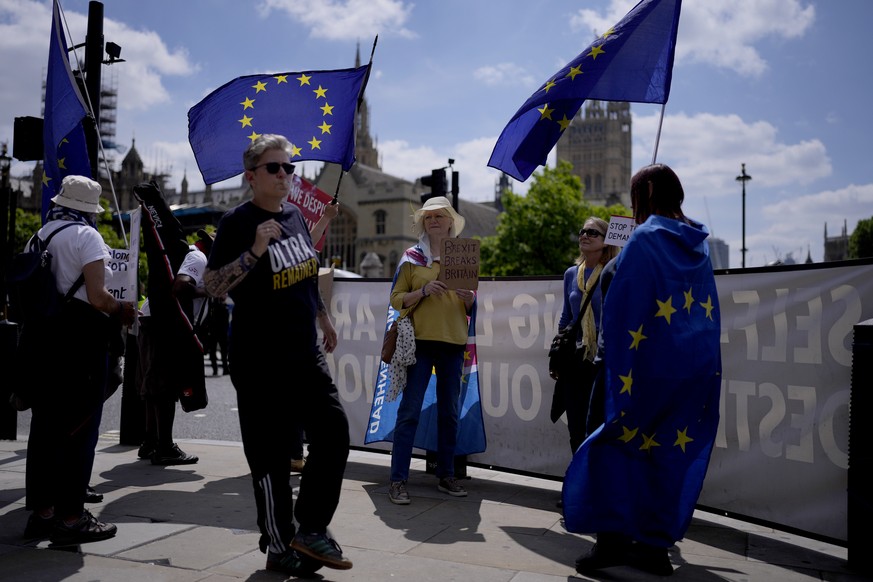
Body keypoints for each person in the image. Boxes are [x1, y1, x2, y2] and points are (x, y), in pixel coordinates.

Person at [563, 164, 722, 577]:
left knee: (614, 449)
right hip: (687, 372)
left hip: (636, 373)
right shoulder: (697, 244)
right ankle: (653, 548)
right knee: (665, 455)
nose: (632, 206)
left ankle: (612, 545)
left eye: (635, 196)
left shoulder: (647, 238)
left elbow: (621, 307)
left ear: (648, 190)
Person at [203, 134, 352, 576]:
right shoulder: (237, 221)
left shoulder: (294, 215)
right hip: (260, 358)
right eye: (275, 168)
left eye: (289, 168)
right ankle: (278, 542)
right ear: (252, 176)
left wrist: (322, 316)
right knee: (270, 457)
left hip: (305, 352)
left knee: (334, 431)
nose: (285, 175)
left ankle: (310, 529)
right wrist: (253, 252)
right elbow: (212, 285)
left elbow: (306, 274)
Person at [23, 175, 138, 544]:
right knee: (79, 427)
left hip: (41, 342)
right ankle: (72, 518)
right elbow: (98, 296)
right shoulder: (86, 237)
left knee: (44, 429)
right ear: (88, 210)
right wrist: (124, 309)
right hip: (78, 345)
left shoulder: (39, 235)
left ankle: (42, 513)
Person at [384, 196, 478, 505]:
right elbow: (396, 299)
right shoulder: (411, 257)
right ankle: (398, 480)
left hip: (453, 342)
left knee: (449, 413)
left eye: (440, 216)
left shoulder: (464, 254)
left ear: (452, 221)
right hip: (420, 343)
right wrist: (423, 291)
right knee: (409, 411)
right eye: (429, 216)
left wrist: (468, 298)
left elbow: (470, 306)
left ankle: (446, 474)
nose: (434, 220)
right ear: (424, 223)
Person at [136, 230, 213, 465]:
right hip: (166, 323)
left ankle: (151, 442)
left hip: (154, 319)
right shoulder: (199, 258)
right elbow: (180, 286)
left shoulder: (190, 254)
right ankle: (164, 447)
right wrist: (209, 290)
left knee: (155, 385)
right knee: (164, 386)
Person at [551, 217, 618, 455]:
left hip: (602, 359)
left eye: (593, 232)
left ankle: (600, 486)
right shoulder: (571, 274)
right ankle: (579, 484)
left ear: (606, 241)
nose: (585, 236)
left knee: (600, 425)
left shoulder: (614, 272)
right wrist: (558, 354)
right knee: (576, 426)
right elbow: (566, 317)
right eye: (582, 231)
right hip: (574, 359)